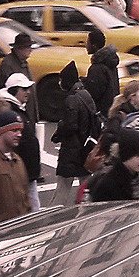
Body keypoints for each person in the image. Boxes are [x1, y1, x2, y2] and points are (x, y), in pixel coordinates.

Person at [52, 62, 98, 206]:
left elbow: (70, 125)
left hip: (71, 149)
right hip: (85, 147)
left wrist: (59, 132)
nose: (60, 83)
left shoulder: (71, 99)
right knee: (85, 185)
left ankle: (54, 213)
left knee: (63, 186)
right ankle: (86, 208)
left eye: (61, 80)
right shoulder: (85, 95)